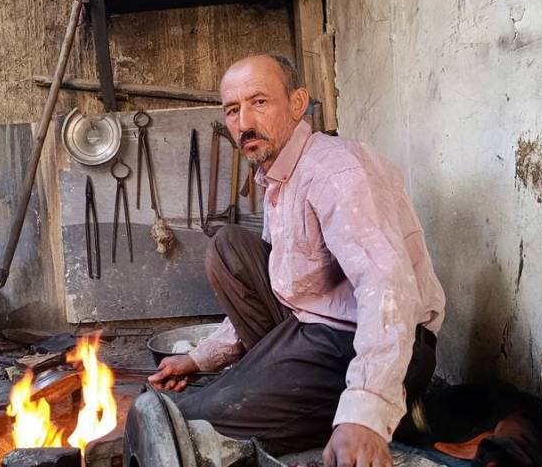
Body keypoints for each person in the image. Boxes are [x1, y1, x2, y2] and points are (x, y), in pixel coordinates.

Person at [147, 54, 446, 467]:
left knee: (187, 426)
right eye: (232, 110)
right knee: (228, 247)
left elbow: (387, 288)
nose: (244, 122)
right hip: (311, 329)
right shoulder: (278, 177)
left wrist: (367, 411)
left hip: (370, 342)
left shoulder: (335, 172)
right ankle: (290, 397)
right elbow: (282, 281)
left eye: (259, 102)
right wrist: (200, 358)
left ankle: (370, 409)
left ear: (297, 103)